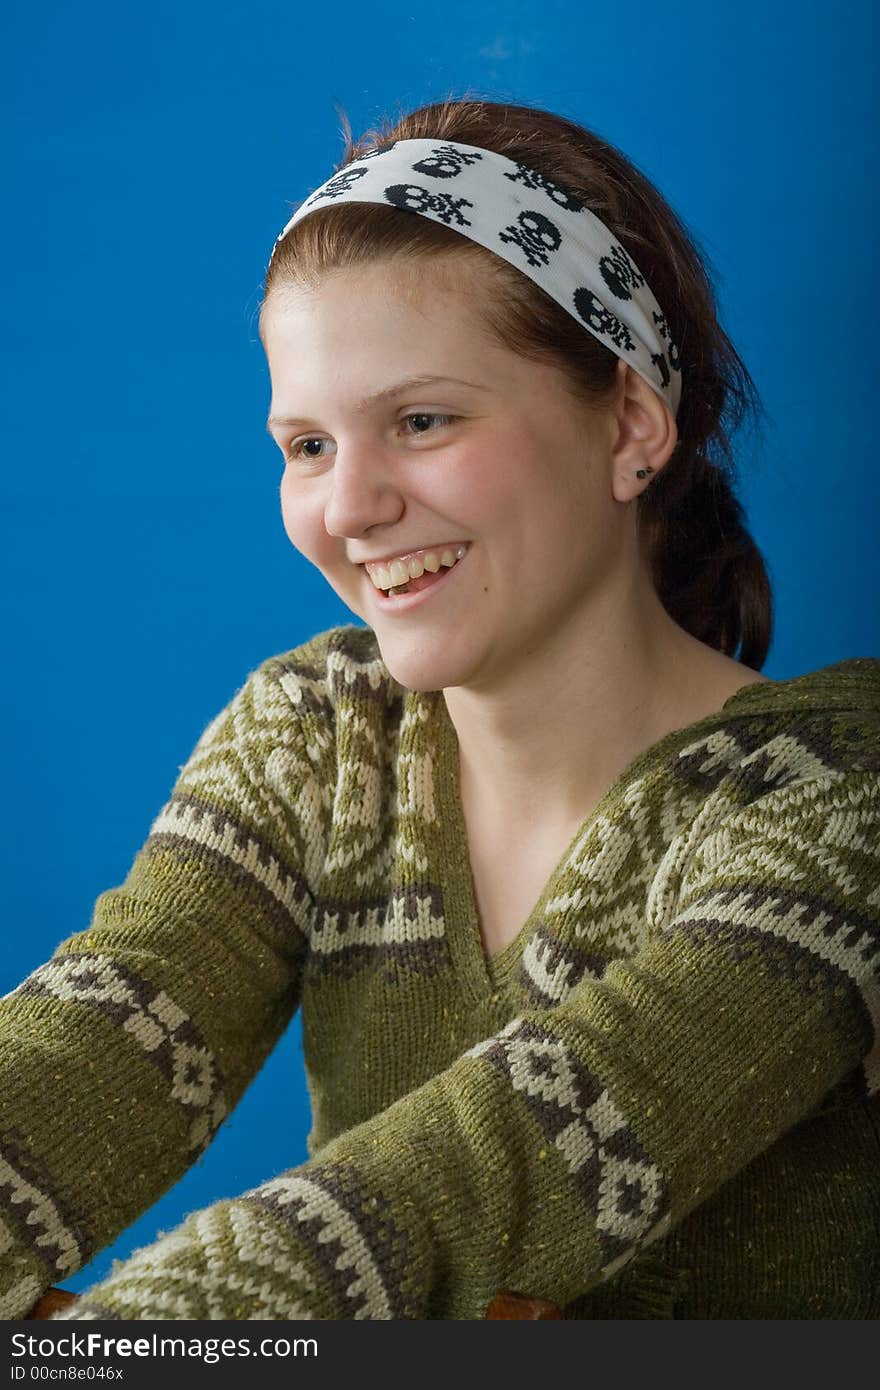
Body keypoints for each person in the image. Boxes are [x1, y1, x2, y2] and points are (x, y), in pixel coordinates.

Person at [2, 97, 878, 1322]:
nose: (349, 508)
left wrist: (101, 1347)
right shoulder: (317, 736)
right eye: (306, 445)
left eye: (421, 421)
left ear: (629, 425)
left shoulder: (840, 798)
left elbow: (464, 1190)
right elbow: (109, 1032)